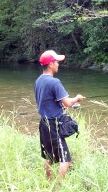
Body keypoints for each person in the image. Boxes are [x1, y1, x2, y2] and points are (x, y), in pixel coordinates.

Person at [34, 50, 85, 181]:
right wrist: (77, 99)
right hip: (54, 124)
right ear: (51, 64)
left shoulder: (38, 80)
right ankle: (58, 187)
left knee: (49, 157)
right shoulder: (54, 82)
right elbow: (68, 103)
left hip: (43, 123)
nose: (58, 64)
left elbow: (46, 101)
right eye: (56, 62)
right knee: (66, 159)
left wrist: (59, 105)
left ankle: (49, 182)